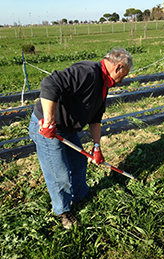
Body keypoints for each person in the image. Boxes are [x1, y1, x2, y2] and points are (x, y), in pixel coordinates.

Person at [29, 47, 133, 229]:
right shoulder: (87, 72)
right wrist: (49, 121)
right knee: (58, 171)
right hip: (48, 128)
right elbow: (50, 83)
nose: (122, 81)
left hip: (68, 129)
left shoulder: (103, 85)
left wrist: (96, 146)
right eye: (123, 75)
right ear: (118, 67)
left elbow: (95, 119)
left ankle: (80, 195)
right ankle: (63, 211)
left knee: (79, 162)